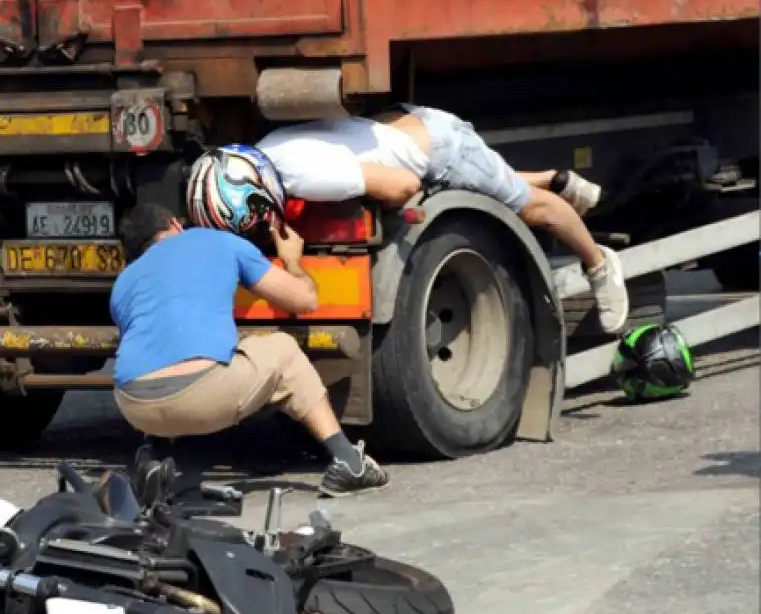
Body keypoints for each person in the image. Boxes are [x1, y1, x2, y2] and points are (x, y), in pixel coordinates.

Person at [250, 104, 629, 334]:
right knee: (487, 184)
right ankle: (552, 178)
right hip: (403, 126)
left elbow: (405, 184)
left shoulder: (306, 178)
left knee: (532, 209)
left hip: (443, 149)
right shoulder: (259, 152)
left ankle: (599, 264)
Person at [110, 200, 390, 498]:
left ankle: (150, 457)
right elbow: (304, 301)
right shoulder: (216, 240)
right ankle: (350, 463)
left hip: (133, 404)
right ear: (176, 226)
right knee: (282, 348)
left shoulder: (123, 282)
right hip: (201, 395)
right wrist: (292, 259)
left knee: (160, 356)